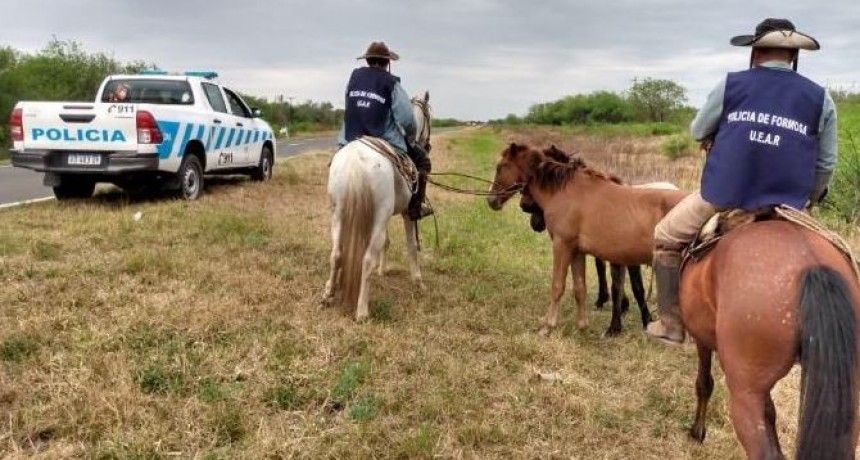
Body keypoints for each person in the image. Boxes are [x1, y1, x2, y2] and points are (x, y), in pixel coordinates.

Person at [645, 18, 838, 344]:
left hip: (726, 195)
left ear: (756, 50)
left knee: (664, 236)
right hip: (789, 204)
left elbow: (697, 131)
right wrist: (810, 199)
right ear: (793, 56)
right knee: (836, 255)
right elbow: (825, 163)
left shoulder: (731, 85)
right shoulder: (822, 99)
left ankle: (670, 324)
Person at [337, 41, 433, 220]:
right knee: (423, 162)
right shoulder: (391, 82)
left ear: (367, 60)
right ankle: (415, 208)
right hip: (384, 138)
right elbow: (407, 118)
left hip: (350, 137)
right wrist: (410, 138)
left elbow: (349, 106)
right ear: (387, 63)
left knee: (338, 161)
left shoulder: (354, 78)